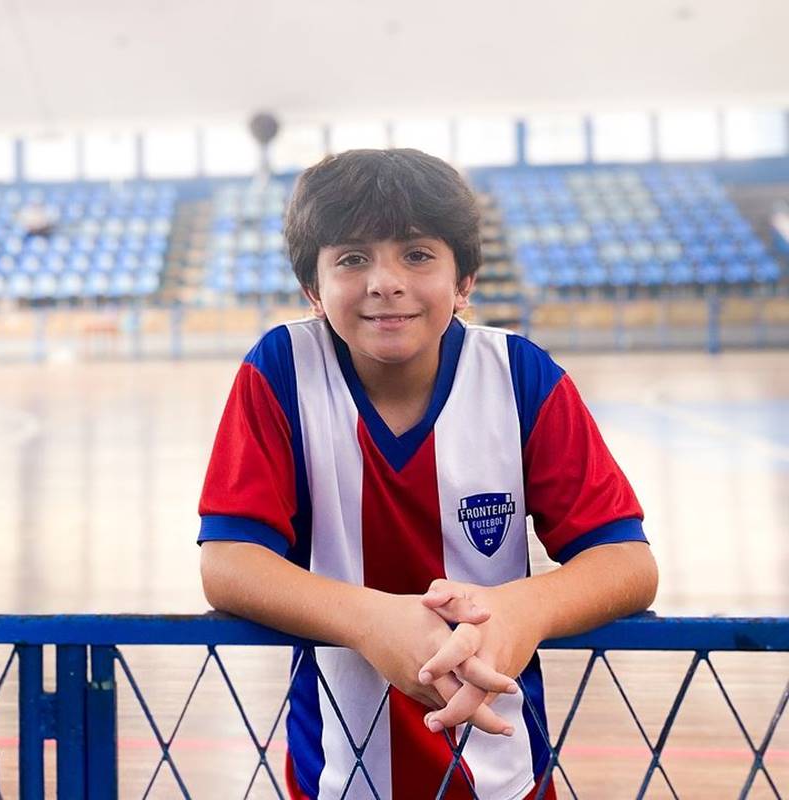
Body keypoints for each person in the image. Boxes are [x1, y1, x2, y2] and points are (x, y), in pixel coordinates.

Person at [197, 149, 658, 799]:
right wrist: (371, 621)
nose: (385, 281)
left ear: (465, 280)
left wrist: (521, 611)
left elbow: (628, 563)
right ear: (312, 287)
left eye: (417, 254)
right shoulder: (279, 370)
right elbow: (228, 562)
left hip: (504, 776)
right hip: (337, 776)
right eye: (352, 258)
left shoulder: (520, 375)